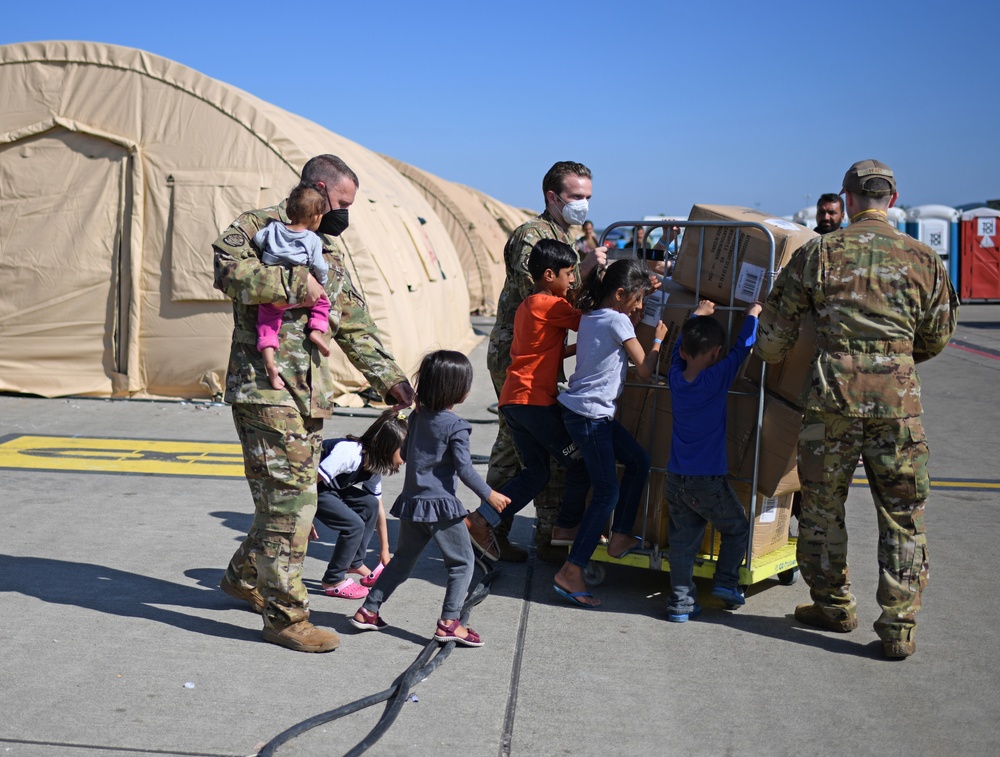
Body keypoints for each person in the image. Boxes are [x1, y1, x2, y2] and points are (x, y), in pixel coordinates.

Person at [756, 159, 958, 659]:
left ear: (846, 199)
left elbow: (774, 342)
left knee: (823, 508)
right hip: (898, 405)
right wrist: (893, 360)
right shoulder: (925, 257)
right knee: (903, 517)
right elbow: (936, 337)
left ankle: (832, 606)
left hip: (833, 402)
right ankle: (898, 626)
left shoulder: (821, 252)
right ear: (892, 198)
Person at [214, 154, 414, 653]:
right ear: (320, 189)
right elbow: (227, 272)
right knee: (293, 504)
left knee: (283, 500)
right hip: (266, 387)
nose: (346, 214)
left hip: (307, 395)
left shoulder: (329, 247)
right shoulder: (259, 227)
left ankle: (244, 577)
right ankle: (285, 616)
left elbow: (352, 323)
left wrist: (391, 381)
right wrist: (296, 284)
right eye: (342, 203)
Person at [486, 161, 608, 562]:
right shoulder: (532, 237)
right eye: (576, 197)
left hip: (538, 354)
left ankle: (501, 529)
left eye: (588, 197)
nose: (584, 204)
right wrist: (587, 272)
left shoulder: (562, 235)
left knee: (518, 450)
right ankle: (534, 533)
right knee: (536, 450)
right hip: (519, 355)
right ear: (552, 197)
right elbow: (538, 296)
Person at [349, 350, 510, 647]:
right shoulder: (456, 426)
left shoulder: (417, 416)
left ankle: (368, 610)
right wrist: (490, 495)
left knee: (402, 562)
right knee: (462, 564)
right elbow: (464, 469)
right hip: (441, 508)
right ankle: (450, 622)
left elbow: (408, 454)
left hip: (412, 502)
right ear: (459, 391)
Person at [464, 239, 590, 560]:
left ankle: (481, 520)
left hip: (515, 400)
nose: (573, 279)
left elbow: (545, 351)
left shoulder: (528, 304)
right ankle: (566, 529)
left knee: (536, 473)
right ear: (549, 275)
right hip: (534, 402)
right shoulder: (554, 306)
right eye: (569, 273)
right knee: (578, 463)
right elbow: (591, 323)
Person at [553, 259, 667, 608]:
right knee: (606, 492)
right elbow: (646, 370)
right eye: (636, 300)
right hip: (591, 417)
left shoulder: (592, 315)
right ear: (619, 294)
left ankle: (620, 537)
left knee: (638, 461)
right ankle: (572, 570)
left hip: (586, 414)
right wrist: (659, 339)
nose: (639, 307)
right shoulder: (618, 320)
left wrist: (644, 290)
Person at [664, 299, 762, 623]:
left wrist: (696, 316)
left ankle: (680, 604)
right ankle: (725, 583)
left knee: (682, 543)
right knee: (737, 530)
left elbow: (680, 347)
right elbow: (743, 349)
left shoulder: (675, 378)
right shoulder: (716, 379)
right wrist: (752, 315)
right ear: (716, 353)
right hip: (707, 481)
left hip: (675, 479)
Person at [313, 409, 407, 599]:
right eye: (405, 451)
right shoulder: (349, 453)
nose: (406, 459)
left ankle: (354, 563)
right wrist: (304, 520)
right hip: (309, 486)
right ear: (387, 447)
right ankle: (332, 579)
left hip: (330, 487)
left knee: (369, 504)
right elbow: (305, 484)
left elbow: (378, 507)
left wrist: (385, 552)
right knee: (353, 524)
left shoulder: (373, 465)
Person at [253, 185, 331, 390]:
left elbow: (258, 241)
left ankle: (270, 363)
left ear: (288, 211)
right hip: (303, 292)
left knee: (267, 326)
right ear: (316, 217)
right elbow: (319, 266)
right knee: (323, 302)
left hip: (275, 292)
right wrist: (320, 282)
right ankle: (317, 329)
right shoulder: (313, 239)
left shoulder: (273, 229)